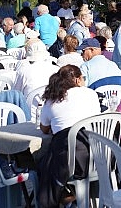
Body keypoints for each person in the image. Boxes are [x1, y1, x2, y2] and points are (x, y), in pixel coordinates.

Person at [37, 66, 101, 207]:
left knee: (43, 161)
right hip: (98, 156)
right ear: (78, 80)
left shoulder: (52, 100)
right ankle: (70, 195)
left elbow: (44, 128)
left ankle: (65, 195)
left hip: (70, 162)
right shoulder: (91, 94)